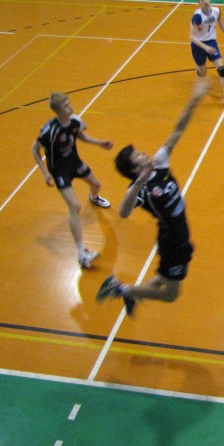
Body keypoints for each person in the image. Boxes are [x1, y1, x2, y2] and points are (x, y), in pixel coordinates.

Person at [97, 79, 209, 317]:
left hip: (180, 231)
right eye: (138, 155)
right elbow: (123, 213)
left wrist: (195, 98)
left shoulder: (159, 162)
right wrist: (138, 183)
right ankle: (121, 289)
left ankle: (131, 294)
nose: (143, 152)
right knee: (171, 294)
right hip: (171, 239)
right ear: (134, 168)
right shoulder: (140, 189)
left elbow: (178, 129)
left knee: (166, 275)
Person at [31, 92, 113, 269]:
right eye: (66, 105)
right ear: (58, 110)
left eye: (69, 103)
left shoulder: (75, 121)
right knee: (75, 206)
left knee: (96, 185)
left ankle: (94, 198)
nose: (71, 106)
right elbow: (34, 150)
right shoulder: (49, 131)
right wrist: (45, 172)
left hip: (74, 162)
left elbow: (81, 136)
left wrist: (99, 143)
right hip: (59, 171)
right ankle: (82, 252)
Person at [190, 0, 224, 111]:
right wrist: (205, 47)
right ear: (199, 2)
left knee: (222, 69)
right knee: (203, 72)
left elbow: (220, 23)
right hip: (198, 45)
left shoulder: (216, 11)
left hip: (211, 42)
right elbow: (192, 37)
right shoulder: (197, 17)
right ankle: (199, 72)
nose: (205, 1)